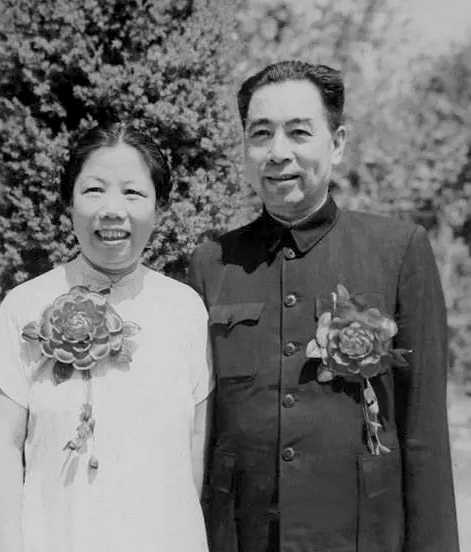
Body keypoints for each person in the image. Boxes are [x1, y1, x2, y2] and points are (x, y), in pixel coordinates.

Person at [189, 61, 459, 552]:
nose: (278, 152)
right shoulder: (212, 264)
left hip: (360, 534)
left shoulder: (397, 251)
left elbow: (425, 435)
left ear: (336, 143)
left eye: (298, 132)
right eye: (261, 134)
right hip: (240, 534)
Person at [0, 121, 214, 552]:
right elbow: (2, 449)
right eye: (93, 190)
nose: (112, 209)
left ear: (159, 206)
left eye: (133, 192)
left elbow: (196, 444)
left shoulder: (186, 309)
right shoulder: (24, 306)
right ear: (69, 202)